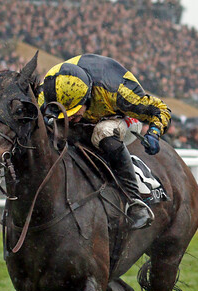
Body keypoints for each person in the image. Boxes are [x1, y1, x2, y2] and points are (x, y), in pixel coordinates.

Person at [37, 54, 171, 229]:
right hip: (86, 116)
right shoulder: (47, 91)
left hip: (121, 118)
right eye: (67, 113)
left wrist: (154, 132)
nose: (71, 118)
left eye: (75, 111)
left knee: (102, 132)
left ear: (86, 97)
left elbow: (160, 109)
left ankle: (134, 200)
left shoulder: (119, 92)